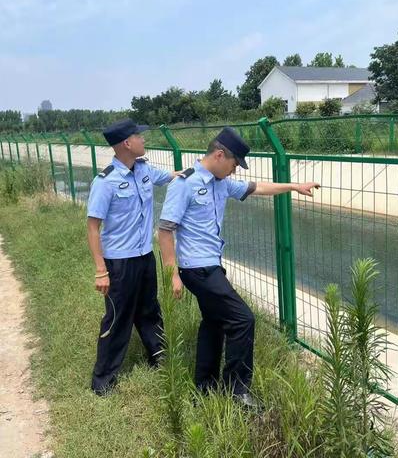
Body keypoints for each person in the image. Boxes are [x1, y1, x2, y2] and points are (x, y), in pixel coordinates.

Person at [158, 126, 319, 407]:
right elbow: (165, 231)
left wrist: (293, 186)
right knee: (243, 319)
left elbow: (258, 188)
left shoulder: (221, 183)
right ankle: (238, 392)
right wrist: (172, 276)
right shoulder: (185, 183)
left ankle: (205, 388)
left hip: (212, 266)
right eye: (234, 164)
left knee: (214, 323)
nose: (234, 171)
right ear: (220, 155)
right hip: (197, 269)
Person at [87, 118, 176, 395]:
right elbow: (93, 227)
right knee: (118, 318)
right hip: (119, 262)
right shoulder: (106, 182)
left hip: (144, 256)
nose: (144, 140)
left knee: (149, 309)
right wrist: (101, 270)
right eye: (140, 136)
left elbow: (174, 176)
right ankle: (103, 381)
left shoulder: (144, 170)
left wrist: (203, 168)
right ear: (127, 143)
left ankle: (158, 357)